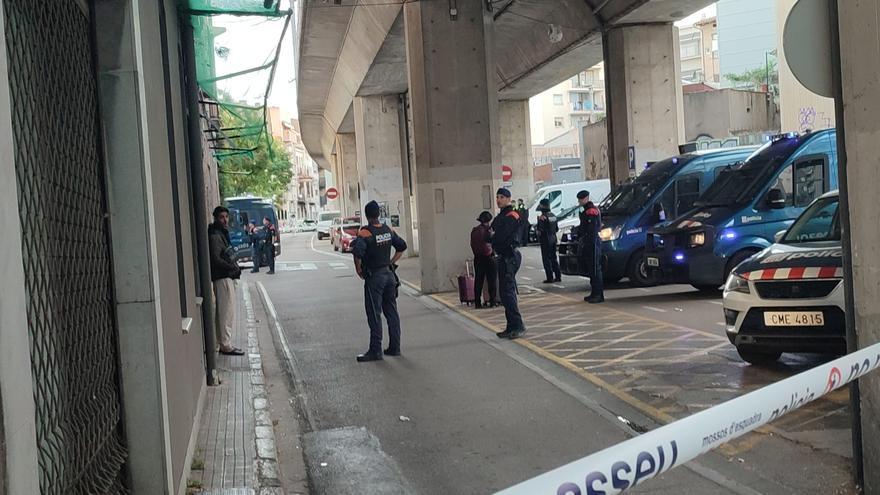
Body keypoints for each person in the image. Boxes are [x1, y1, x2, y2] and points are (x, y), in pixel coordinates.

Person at [351, 200, 408, 362]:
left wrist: (359, 270)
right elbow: (402, 247)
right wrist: (390, 262)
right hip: (389, 276)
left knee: (374, 314)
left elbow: (357, 254)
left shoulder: (365, 233)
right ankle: (395, 347)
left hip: (374, 278)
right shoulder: (388, 230)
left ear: (366, 215)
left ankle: (375, 350)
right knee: (391, 311)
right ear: (378, 214)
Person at [490, 188, 526, 339]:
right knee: (504, 294)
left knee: (508, 292)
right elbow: (490, 234)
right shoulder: (501, 216)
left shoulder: (512, 215)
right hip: (503, 256)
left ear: (508, 199)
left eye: (502, 197)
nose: (498, 200)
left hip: (510, 256)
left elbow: (500, 236)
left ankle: (518, 326)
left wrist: (494, 236)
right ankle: (511, 326)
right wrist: (494, 236)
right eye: (497, 197)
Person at [209, 206, 245, 355]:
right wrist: (231, 268)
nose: (225, 220)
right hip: (223, 277)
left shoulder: (220, 233)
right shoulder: (215, 235)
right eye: (221, 217)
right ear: (216, 218)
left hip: (224, 276)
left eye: (226, 217)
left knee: (223, 312)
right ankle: (226, 344)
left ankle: (221, 343)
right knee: (226, 312)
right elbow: (216, 259)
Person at [576, 190, 604, 303]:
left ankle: (598, 295)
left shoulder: (591, 211)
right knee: (592, 270)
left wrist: (585, 237)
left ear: (586, 198)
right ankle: (594, 293)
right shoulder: (586, 210)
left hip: (593, 242)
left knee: (595, 270)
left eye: (580, 199)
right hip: (588, 242)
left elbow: (591, 229)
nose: (579, 201)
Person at [470, 211, 498, 309]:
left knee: (478, 281)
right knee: (491, 280)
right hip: (488, 257)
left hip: (478, 258)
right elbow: (491, 242)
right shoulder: (488, 231)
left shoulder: (474, 230)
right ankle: (492, 302)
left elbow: (472, 244)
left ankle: (477, 302)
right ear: (488, 220)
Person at [536, 199, 561, 284]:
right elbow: (556, 228)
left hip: (545, 239)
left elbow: (540, 230)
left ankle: (550, 277)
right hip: (553, 238)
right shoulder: (553, 215)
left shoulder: (542, 217)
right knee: (553, 258)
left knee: (546, 259)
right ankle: (558, 276)